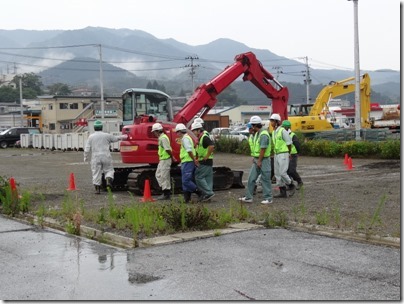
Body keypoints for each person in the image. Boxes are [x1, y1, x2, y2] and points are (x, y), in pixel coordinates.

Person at [84, 120, 128, 194]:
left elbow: (87, 148)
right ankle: (108, 180)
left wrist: (85, 157)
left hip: (95, 157)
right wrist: (125, 136)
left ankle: (97, 189)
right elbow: (116, 138)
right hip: (106, 156)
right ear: (101, 127)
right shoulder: (106, 135)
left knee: (96, 172)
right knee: (109, 170)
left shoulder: (91, 137)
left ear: (94, 128)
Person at [239, 115, 273, 204]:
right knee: (251, 178)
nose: (251, 128)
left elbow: (263, 149)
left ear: (254, 125)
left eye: (252, 126)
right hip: (257, 159)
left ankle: (268, 198)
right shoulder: (257, 134)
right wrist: (255, 158)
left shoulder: (263, 134)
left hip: (263, 160)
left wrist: (259, 161)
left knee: (265, 179)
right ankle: (248, 197)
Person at [175, 123, 203, 203]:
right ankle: (187, 199)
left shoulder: (185, 139)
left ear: (180, 132)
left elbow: (189, 150)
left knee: (186, 181)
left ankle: (199, 192)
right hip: (186, 161)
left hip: (188, 161)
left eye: (177, 132)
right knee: (186, 181)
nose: (177, 134)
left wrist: (194, 160)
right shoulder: (186, 138)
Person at [269, 113, 296, 198]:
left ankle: (291, 185)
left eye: (272, 121)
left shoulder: (282, 131)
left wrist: (289, 153)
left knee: (282, 172)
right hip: (277, 154)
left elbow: (289, 143)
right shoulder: (273, 132)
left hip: (283, 153)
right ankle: (282, 192)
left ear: (276, 121)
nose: (271, 122)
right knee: (277, 174)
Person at [191, 121, 215, 202]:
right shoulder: (201, 138)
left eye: (194, 130)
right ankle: (208, 196)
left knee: (198, 177)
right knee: (208, 179)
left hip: (205, 161)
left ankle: (208, 193)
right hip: (207, 161)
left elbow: (212, 146)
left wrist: (206, 156)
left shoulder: (204, 137)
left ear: (198, 130)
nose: (193, 132)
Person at [151, 122, 176, 200]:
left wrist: (172, 157)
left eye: (154, 132)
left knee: (164, 176)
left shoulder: (163, 138)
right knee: (159, 175)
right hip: (163, 159)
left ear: (158, 131)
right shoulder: (162, 138)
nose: (154, 133)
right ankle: (165, 191)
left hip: (166, 159)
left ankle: (166, 193)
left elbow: (167, 149)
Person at [281, 120, 304, 189]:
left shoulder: (292, 135)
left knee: (291, 170)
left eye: (284, 127)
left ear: (287, 128)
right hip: (285, 154)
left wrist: (297, 153)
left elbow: (297, 145)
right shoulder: (283, 135)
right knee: (286, 171)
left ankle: (299, 182)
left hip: (293, 155)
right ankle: (289, 184)